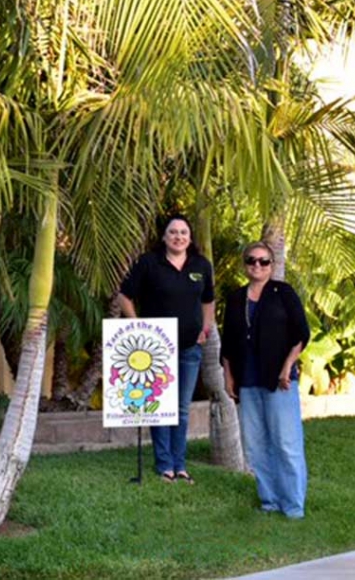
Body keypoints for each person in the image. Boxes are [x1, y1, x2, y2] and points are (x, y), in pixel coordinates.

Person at [118, 214, 215, 484]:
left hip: (189, 348)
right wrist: (138, 328)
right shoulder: (149, 263)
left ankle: (180, 464)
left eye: (183, 232)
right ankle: (164, 465)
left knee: (182, 408)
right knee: (160, 407)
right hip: (156, 350)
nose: (178, 236)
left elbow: (208, 301)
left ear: (190, 237)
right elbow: (124, 296)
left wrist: (205, 329)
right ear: (164, 236)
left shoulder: (201, 266)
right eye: (173, 232)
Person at [221, 241, 310, 518]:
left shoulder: (283, 293)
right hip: (248, 379)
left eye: (263, 261)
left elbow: (301, 334)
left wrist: (287, 367)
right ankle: (269, 501)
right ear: (244, 264)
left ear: (272, 265)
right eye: (251, 260)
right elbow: (228, 342)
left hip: (279, 379)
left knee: (286, 443)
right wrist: (228, 375)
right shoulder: (236, 298)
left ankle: (293, 505)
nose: (257, 265)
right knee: (256, 445)